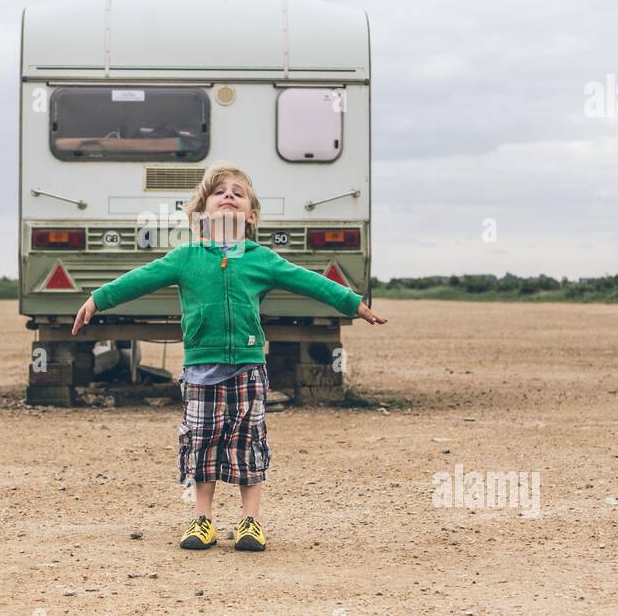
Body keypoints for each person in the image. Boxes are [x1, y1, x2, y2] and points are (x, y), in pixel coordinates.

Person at [71, 161, 388, 551]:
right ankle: (202, 520)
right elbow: (141, 277)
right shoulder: (186, 257)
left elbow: (310, 281)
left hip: (249, 367)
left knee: (247, 441)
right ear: (201, 213)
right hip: (201, 366)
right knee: (201, 441)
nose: (229, 197)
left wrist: (353, 303)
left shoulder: (261, 258)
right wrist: (97, 299)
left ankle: (250, 523)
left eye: (238, 194)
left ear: (251, 216)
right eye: (219, 193)